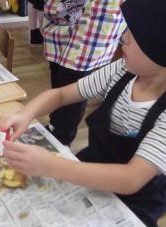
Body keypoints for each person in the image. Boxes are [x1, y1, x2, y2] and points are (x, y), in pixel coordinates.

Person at [0, 0, 166, 227]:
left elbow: (131, 179)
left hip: (132, 205)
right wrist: (24, 114)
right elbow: (61, 95)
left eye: (133, 35)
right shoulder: (123, 71)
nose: (123, 38)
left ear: (164, 51)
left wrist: (51, 165)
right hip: (89, 171)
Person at [42, 0, 126, 146]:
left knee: (73, 80)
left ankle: (62, 137)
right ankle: (55, 125)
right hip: (66, 16)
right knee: (59, 77)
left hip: (96, 20)